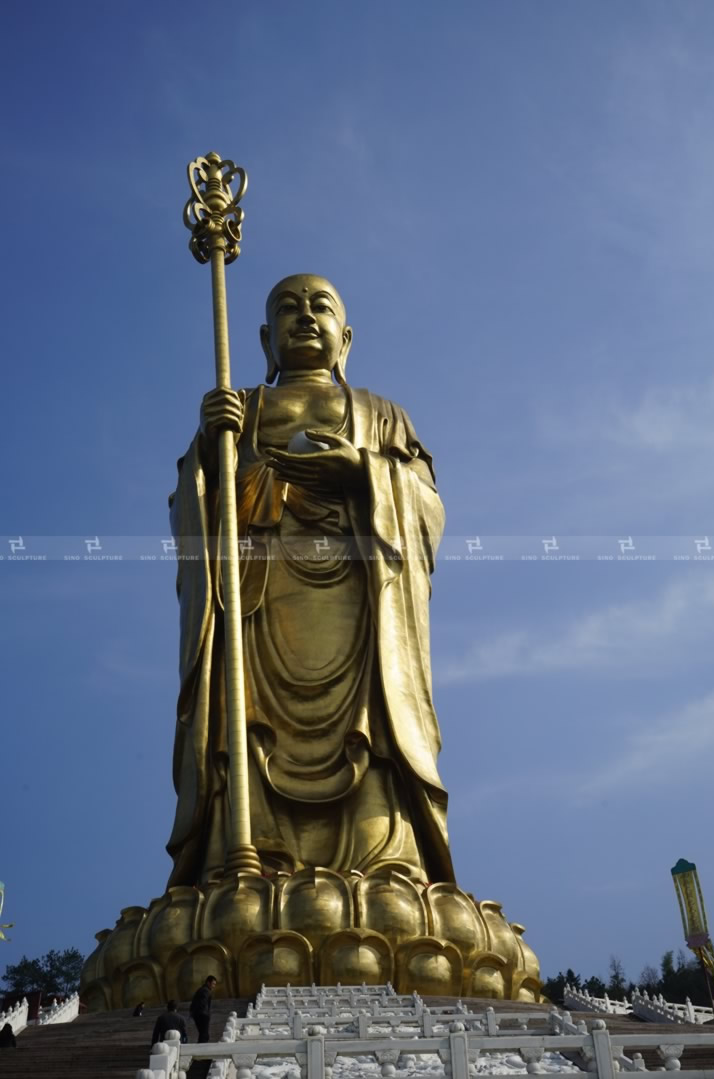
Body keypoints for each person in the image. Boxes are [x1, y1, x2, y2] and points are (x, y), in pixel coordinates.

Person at [166, 274, 454, 887]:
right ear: (267, 341)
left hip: (360, 603)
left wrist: (362, 473)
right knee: (244, 727)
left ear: (344, 339)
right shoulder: (239, 414)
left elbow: (427, 511)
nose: (304, 317)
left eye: (319, 307)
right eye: (288, 310)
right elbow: (193, 514)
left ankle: (386, 861)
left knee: (372, 731)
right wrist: (209, 455)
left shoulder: (382, 415)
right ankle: (246, 855)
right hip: (257, 600)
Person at [189, 976, 216, 1043]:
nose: (214, 986)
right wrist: (206, 1015)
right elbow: (202, 1003)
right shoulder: (205, 991)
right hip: (202, 1015)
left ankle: (200, 1049)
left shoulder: (202, 989)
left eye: (214, 984)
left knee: (203, 1035)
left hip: (198, 1014)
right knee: (204, 1035)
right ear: (208, 982)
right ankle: (201, 1050)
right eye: (213, 984)